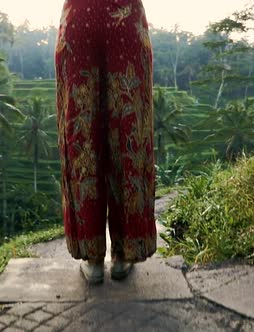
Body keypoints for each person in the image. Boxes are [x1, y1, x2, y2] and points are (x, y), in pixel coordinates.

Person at [54, 0, 156, 284]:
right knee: (128, 122)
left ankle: (93, 258)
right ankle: (124, 255)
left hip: (80, 14)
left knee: (82, 127)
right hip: (125, 16)